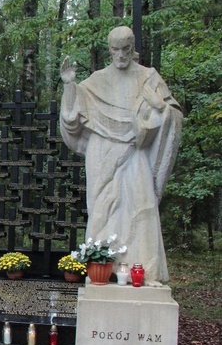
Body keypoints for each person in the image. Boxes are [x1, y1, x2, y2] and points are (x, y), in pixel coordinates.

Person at [60, 26, 182, 285]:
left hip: (135, 149)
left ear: (133, 47)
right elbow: (72, 119)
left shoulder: (149, 77)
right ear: (109, 50)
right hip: (102, 150)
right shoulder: (96, 80)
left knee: (142, 203)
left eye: (125, 49)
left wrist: (161, 108)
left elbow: (171, 114)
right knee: (102, 208)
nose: (121, 55)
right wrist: (70, 86)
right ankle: (102, 269)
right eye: (115, 50)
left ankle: (144, 271)